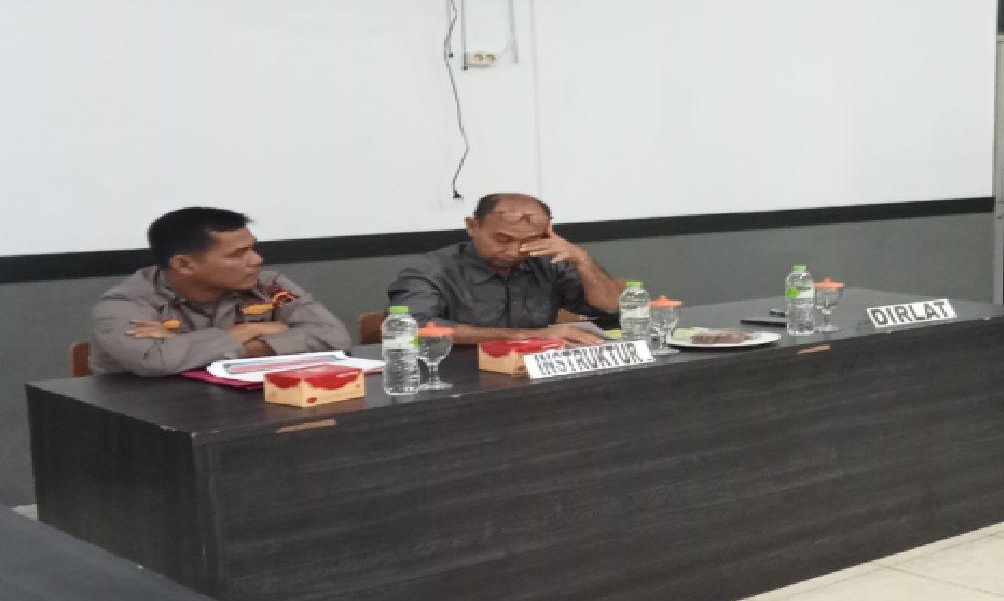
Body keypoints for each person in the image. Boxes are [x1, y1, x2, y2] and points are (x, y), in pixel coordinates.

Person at [90, 207, 351, 376]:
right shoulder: (123, 304)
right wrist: (247, 331)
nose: (257, 260)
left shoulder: (271, 286)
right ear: (184, 265)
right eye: (238, 254)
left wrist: (188, 346)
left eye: (252, 248)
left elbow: (334, 337)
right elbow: (156, 361)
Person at [385, 193, 624, 347]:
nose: (514, 251)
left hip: (534, 373)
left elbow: (612, 308)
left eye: (529, 241)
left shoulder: (547, 263)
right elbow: (411, 326)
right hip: (457, 377)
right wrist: (527, 335)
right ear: (472, 226)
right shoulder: (429, 269)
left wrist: (582, 259)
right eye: (502, 239)